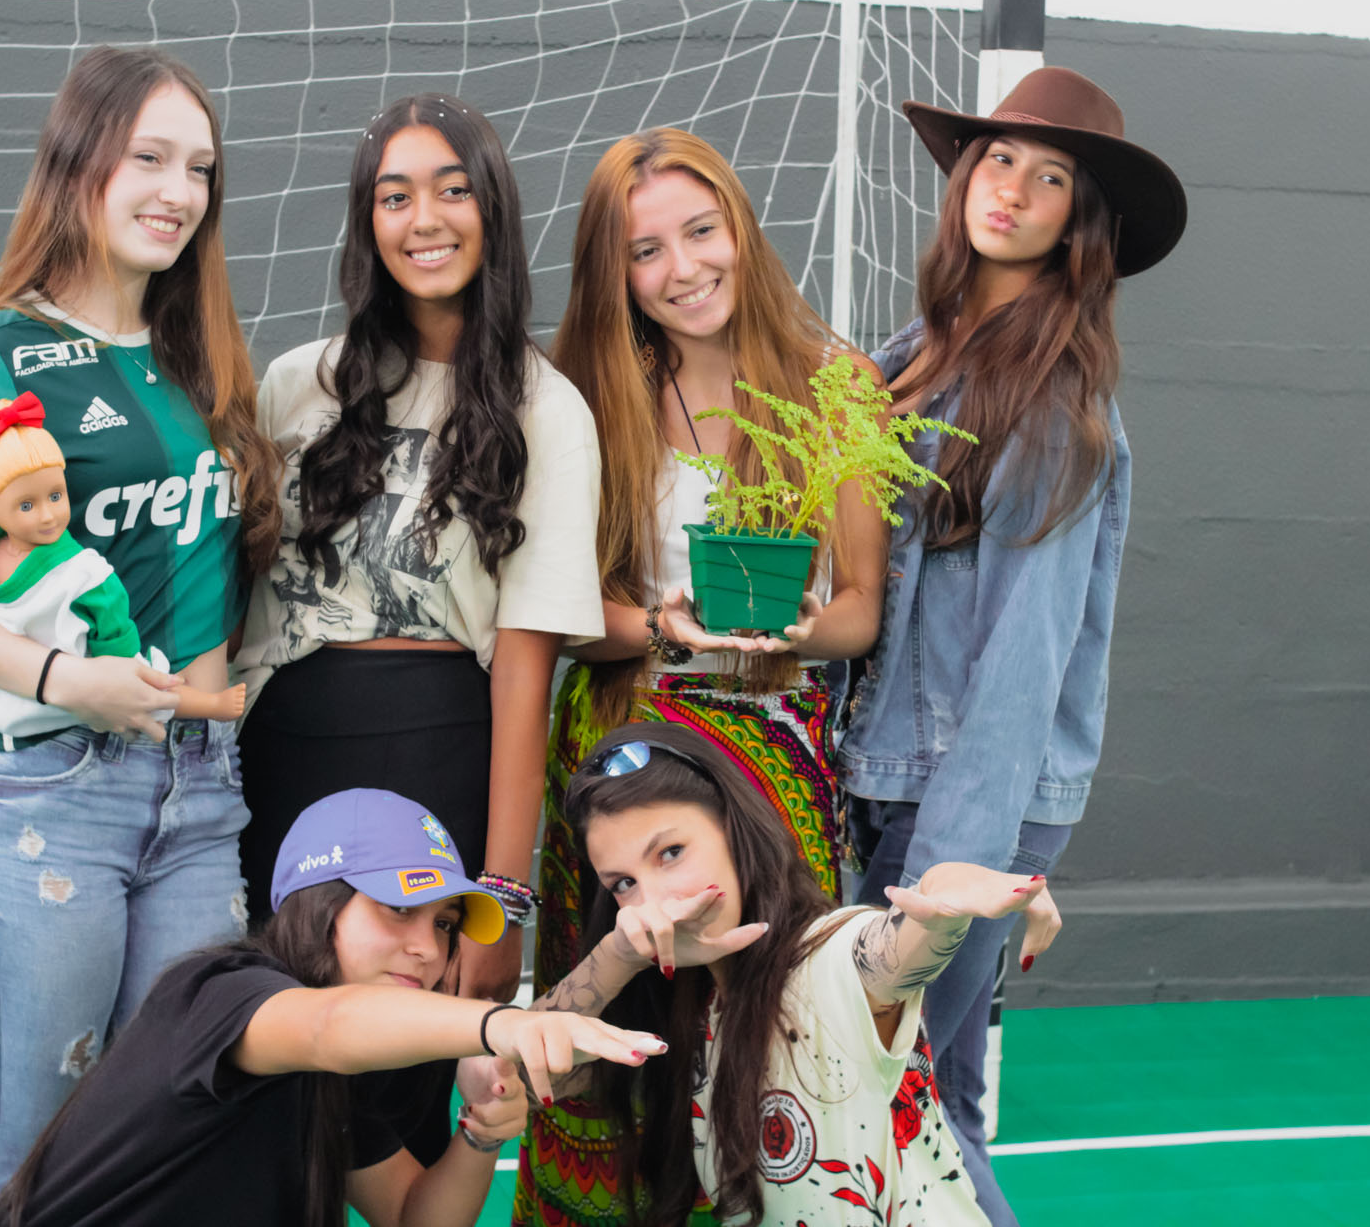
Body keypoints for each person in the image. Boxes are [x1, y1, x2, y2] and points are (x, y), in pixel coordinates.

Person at [0, 44, 281, 1225]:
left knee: (168, 1146)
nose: (179, 191)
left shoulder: (201, 361)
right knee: (24, 1164)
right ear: (78, 162)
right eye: (149, 158)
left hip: (200, 797)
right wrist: (65, 678)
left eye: (199, 168)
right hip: (54, 794)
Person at [516, 127, 888, 1225]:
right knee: (618, 1044)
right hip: (626, 753)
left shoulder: (838, 385)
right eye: (646, 251)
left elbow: (861, 610)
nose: (682, 268)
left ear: (740, 228)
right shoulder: (586, 393)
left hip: (770, 757)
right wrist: (663, 631)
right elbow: (559, 613)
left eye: (700, 231)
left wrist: (801, 629)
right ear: (614, 271)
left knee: (764, 1041)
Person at [837, 66, 1188, 1224]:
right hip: (891, 780)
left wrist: (947, 878)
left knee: (902, 1100)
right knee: (928, 1099)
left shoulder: (1048, 401)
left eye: (1050, 179)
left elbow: (1021, 666)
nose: (1013, 190)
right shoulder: (911, 356)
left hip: (959, 803)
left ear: (1079, 223)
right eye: (998, 160)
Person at [236, 92, 605, 1002]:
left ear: (492, 207)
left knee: (405, 1059)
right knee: (276, 1046)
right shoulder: (294, 383)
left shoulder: (547, 409)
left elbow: (525, 668)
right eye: (395, 197)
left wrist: (503, 894)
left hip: (436, 763)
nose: (424, 219)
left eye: (452, 189)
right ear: (368, 222)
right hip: (278, 760)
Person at [0, 788, 667, 1227]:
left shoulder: (338, 1079)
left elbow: (413, 1217)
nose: (427, 948)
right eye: (397, 907)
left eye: (444, 924)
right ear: (318, 903)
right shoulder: (221, 991)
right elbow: (329, 1026)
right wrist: (504, 1024)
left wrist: (482, 1134)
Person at [526, 723, 1057, 1226]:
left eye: (671, 853)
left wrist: (945, 895)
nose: (653, 902)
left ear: (732, 829)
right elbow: (524, 1076)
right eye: (623, 884)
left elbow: (894, 948)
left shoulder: (826, 954)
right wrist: (620, 952)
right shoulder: (690, 1009)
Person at [0, 391, 247, 748]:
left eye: (56, 496)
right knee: (150, 683)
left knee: (148, 682)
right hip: (40, 711)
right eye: (27, 505)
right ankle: (209, 703)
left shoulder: (76, 573)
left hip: (57, 712)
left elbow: (118, 645)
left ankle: (211, 704)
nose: (48, 515)